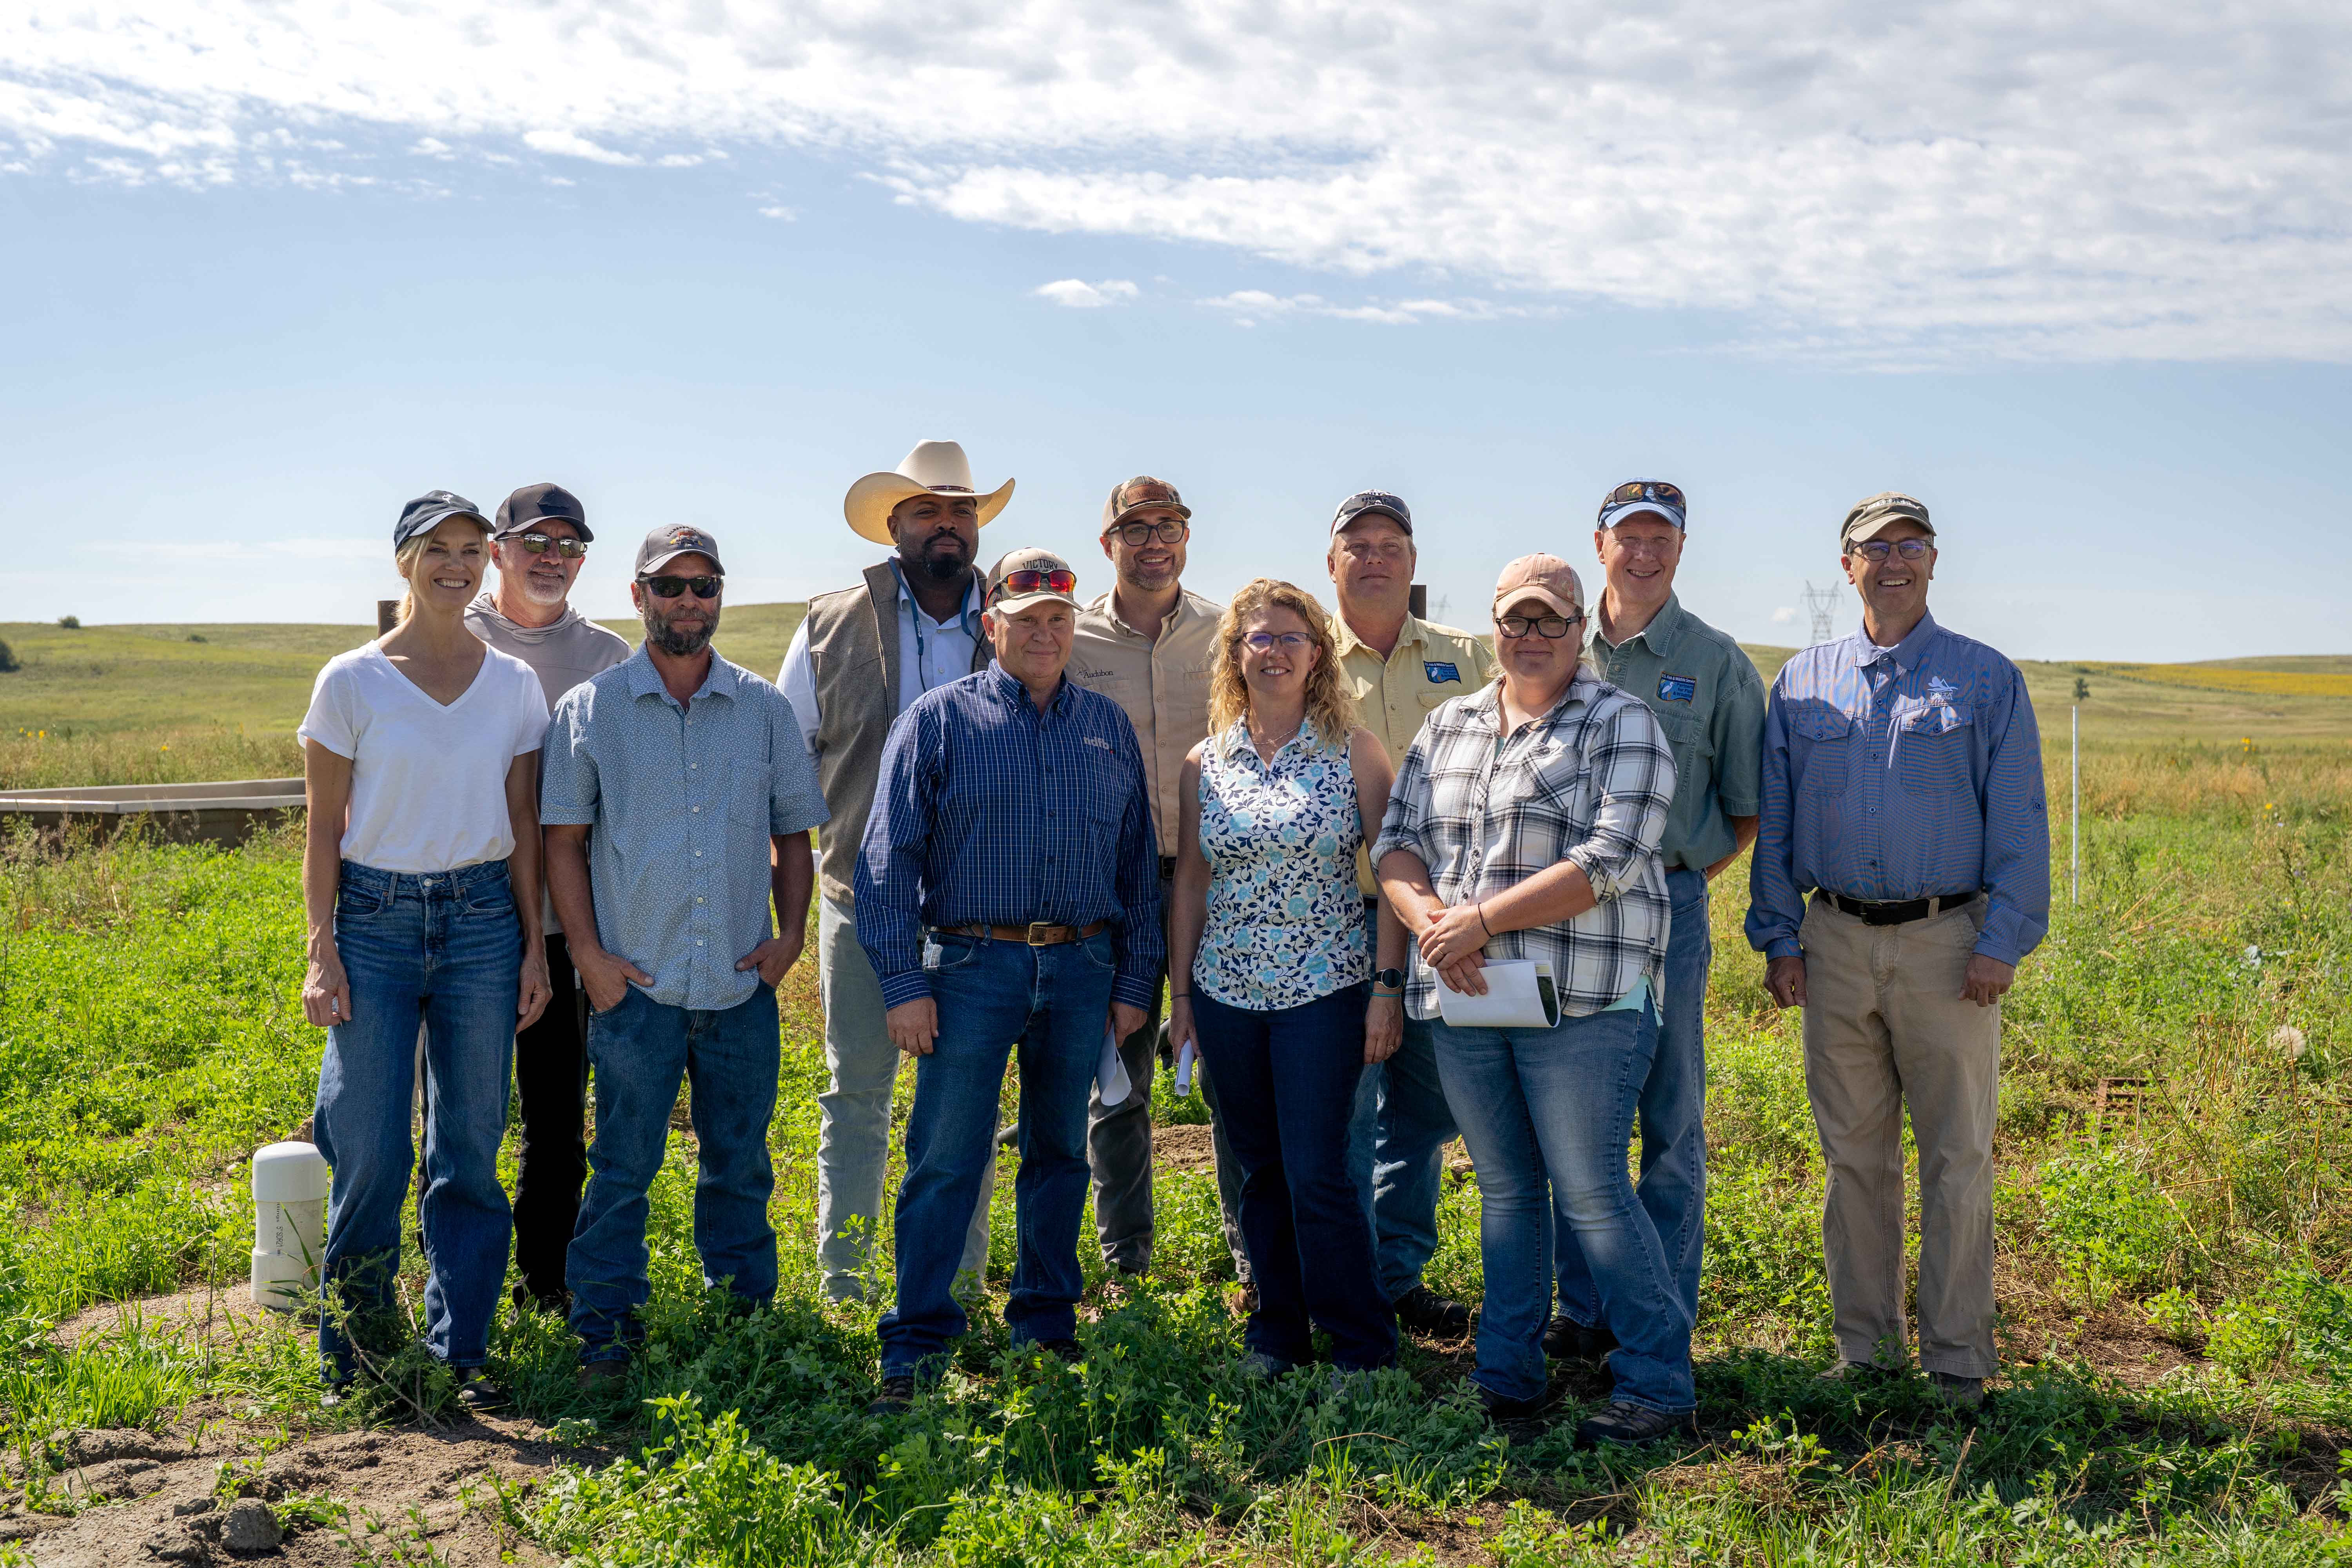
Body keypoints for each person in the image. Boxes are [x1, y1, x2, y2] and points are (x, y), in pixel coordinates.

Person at [1375, 554, 1691, 1446]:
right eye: (1517, 618)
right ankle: (1507, 1376)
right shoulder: (1449, 725)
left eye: (1552, 619)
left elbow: (1611, 858)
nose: (1533, 635)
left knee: (1591, 1192)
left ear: (1581, 629)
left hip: (1586, 1004)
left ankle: (1660, 1383)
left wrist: (1478, 920)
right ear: (1495, 626)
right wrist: (1436, 923)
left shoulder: (1622, 722)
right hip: (1470, 997)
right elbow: (1396, 843)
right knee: (1508, 1192)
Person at [1746, 492, 2048, 1410]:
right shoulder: (1802, 683)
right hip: (1833, 941)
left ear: (1933, 560)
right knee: (1853, 1156)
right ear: (1847, 566)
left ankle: (1958, 1359)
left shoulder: (1985, 679)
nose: (1893, 561)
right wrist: (1780, 935)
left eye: (1910, 544)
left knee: (1958, 1155)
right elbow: (1777, 820)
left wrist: (2001, 941)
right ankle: (1867, 1351)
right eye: (1873, 547)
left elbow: (2021, 822)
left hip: (1948, 944)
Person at [858, 548, 1161, 1412]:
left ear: (1074, 626)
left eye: (1059, 619)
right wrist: (902, 984)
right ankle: (917, 1341)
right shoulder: (938, 721)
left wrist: (1135, 981)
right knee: (946, 1156)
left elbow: (1138, 866)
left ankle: (1046, 1323)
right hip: (970, 966)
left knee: (1060, 1152)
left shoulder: (1106, 726)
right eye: (1026, 620)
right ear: (992, 625)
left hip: (1082, 965)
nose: (1044, 634)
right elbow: (886, 861)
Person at [541, 525, 829, 1384]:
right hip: (636, 987)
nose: (690, 602)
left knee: (739, 1162)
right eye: (670, 586)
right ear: (638, 597)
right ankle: (604, 1327)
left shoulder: (764, 709)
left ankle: (743, 1322)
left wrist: (790, 937)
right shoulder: (591, 710)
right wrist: (587, 955)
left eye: (705, 586)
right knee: (622, 1164)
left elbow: (795, 835)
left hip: (740, 984)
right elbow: (563, 841)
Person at [297, 489, 554, 1411]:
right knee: (369, 1143)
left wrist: (533, 946)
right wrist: (321, 948)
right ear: (403, 559)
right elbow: (323, 828)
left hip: (484, 921)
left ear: (489, 560)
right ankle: (359, 1353)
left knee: (471, 1144)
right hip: (376, 919)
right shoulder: (352, 681)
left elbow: (522, 820)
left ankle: (462, 1351)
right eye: (437, 547)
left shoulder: (514, 685)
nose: (457, 564)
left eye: (472, 549)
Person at [779, 441, 1009, 1305]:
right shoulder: (831, 622)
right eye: (927, 510)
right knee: (858, 1093)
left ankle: (958, 1286)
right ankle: (846, 1286)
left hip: (981, 908)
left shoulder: (1018, 615)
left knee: (968, 1101)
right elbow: (788, 757)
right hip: (862, 898)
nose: (947, 524)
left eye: (961, 510)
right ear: (894, 524)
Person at [1165, 579, 1408, 1378]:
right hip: (1226, 993)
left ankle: (1361, 1345)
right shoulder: (1207, 761)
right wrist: (1182, 997)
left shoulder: (1354, 752)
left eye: (1290, 637)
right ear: (1236, 655)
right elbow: (1192, 881)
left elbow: (1393, 874)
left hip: (1323, 991)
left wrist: (1386, 988)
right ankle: (1277, 1334)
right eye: (1258, 638)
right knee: (1258, 1171)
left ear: (1317, 655)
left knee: (1317, 1171)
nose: (1274, 651)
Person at [1548, 481, 1766, 1360]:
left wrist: (1671, 879)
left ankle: (1663, 1312)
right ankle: (1583, 1309)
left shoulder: (1717, 663)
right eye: (1628, 536)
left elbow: (1745, 809)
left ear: (1681, 548)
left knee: (1670, 1115)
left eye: (1660, 539)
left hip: (1670, 904)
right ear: (1599, 543)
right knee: (1575, 1111)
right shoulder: (1556, 642)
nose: (1644, 553)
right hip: (1562, 911)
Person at [1067, 475, 1249, 1289]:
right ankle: (1126, 1266)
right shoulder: (1071, 638)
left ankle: (1253, 1259)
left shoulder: (1228, 633)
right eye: (1136, 529)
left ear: (1186, 536)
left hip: (1220, 883)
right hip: (1115, 891)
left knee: (1236, 1081)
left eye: (1168, 526)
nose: (1154, 543)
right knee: (1118, 1082)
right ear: (1108, 542)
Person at [1323, 490, 1492, 1338]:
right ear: (1332, 563)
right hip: (1334, 916)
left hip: (1445, 919)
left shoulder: (1469, 657)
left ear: (1414, 562)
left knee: (1430, 1106)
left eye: (1391, 544)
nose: (1375, 557)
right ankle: (1348, 1286)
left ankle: (1396, 1272)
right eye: (1357, 544)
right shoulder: (1306, 658)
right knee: (1347, 1109)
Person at [465, 481, 631, 1313]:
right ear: (498, 551)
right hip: (462, 916)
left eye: (569, 545)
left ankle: (544, 1283)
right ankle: (457, 1282)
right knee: (461, 1115)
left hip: (564, 924)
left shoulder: (607, 656)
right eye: (535, 541)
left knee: (558, 1114)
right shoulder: (454, 636)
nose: (552, 558)